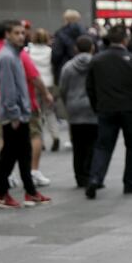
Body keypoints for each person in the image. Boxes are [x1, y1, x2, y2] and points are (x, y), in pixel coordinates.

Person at [0, 20, 51, 209]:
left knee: (23, 153)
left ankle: (30, 191)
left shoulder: (15, 55)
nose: (21, 36)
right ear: (7, 35)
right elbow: (8, 90)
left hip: (21, 113)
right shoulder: (8, 57)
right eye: (16, 33)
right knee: (10, 155)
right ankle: (2, 194)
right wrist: (15, 115)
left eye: (22, 33)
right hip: (14, 115)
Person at [84, 24, 132, 199]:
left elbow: (90, 87)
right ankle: (130, 182)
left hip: (106, 109)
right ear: (125, 40)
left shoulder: (97, 60)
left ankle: (95, 178)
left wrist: (97, 105)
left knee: (103, 146)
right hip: (130, 110)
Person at [59, 35, 98, 187]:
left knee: (78, 146)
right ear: (92, 48)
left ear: (76, 49)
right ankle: (91, 174)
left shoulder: (68, 67)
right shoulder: (97, 64)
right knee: (93, 144)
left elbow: (63, 88)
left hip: (74, 109)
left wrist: (68, 103)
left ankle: (80, 176)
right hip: (93, 108)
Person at [28, 28, 62, 152]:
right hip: (49, 83)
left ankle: (40, 140)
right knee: (50, 111)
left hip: (34, 84)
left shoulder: (28, 51)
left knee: (37, 113)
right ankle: (56, 136)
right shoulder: (50, 52)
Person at [52, 9, 85, 83]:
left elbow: (56, 54)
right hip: (84, 70)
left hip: (64, 70)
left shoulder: (60, 34)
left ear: (66, 19)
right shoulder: (85, 33)